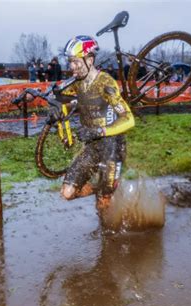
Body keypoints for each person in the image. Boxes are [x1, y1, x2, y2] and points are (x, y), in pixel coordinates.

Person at [56, 35, 135, 216]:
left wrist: (99, 130)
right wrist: (56, 109)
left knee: (103, 205)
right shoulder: (77, 83)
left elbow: (129, 119)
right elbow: (64, 101)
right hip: (93, 147)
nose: (72, 67)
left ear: (90, 60)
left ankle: (111, 230)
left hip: (112, 146)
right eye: (70, 62)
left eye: (76, 62)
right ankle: (102, 188)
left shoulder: (105, 82)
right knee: (67, 193)